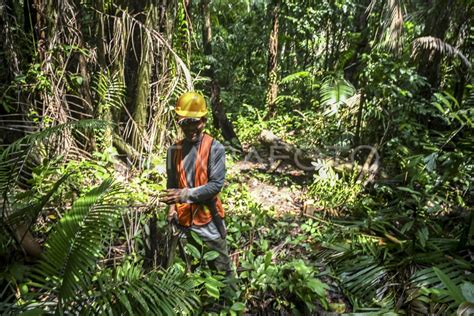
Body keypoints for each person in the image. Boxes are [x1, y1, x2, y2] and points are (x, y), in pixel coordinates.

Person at [160, 91, 234, 279]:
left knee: (222, 271)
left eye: (196, 122)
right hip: (183, 222)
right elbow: (171, 183)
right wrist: (171, 209)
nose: (191, 127)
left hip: (208, 219)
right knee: (187, 272)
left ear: (204, 121)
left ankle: (228, 304)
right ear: (179, 123)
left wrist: (183, 195)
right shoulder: (173, 150)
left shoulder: (214, 147)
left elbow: (215, 185)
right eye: (186, 122)